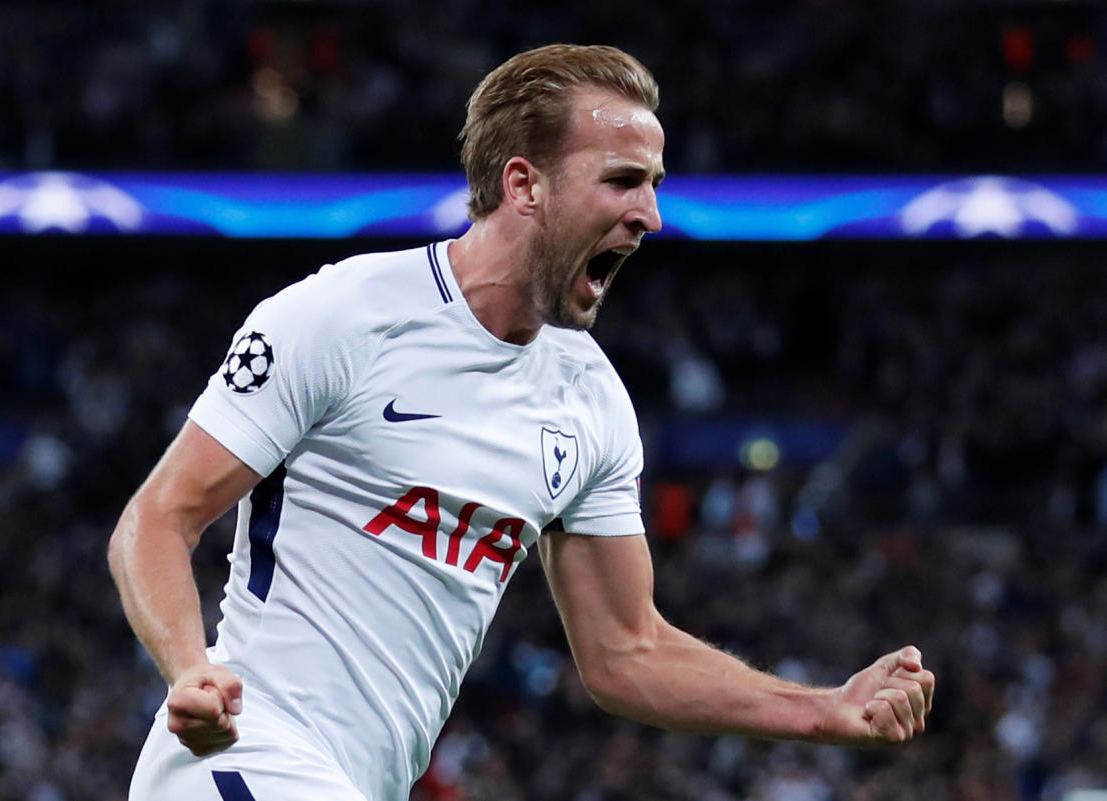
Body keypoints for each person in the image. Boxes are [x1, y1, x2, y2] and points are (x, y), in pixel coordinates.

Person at [108, 43, 935, 801]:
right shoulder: (344, 317)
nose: (649, 215)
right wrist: (191, 672)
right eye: (621, 180)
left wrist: (823, 709)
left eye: (654, 184)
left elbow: (627, 653)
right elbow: (156, 518)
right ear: (523, 184)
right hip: (244, 756)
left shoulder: (592, 400)